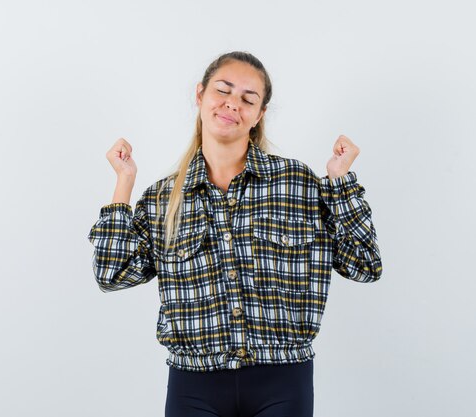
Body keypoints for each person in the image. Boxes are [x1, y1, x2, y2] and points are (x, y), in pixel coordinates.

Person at [87, 51, 382, 417]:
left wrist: (339, 182)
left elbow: (365, 265)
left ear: (259, 115)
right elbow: (111, 275)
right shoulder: (163, 198)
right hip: (193, 385)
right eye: (222, 90)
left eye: (248, 98)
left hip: (283, 380)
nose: (232, 104)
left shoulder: (297, 184)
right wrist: (124, 182)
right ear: (200, 95)